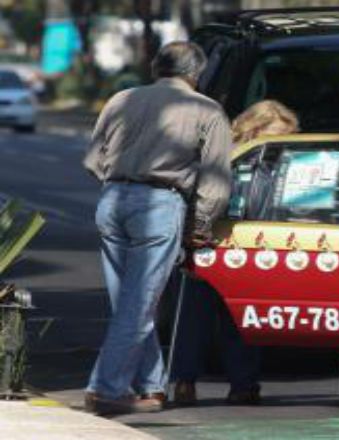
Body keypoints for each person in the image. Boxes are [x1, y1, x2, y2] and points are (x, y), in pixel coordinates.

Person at [82, 41, 233, 415]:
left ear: (155, 68)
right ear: (195, 75)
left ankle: (151, 386)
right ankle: (105, 387)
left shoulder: (121, 99)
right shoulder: (207, 110)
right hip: (159, 204)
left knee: (132, 301)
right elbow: (216, 182)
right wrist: (198, 226)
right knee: (138, 304)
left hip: (113, 200)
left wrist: (118, 181)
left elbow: (92, 160)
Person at [171, 100, 299, 406]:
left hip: (253, 248)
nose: (282, 144)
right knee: (194, 317)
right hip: (209, 243)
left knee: (242, 319)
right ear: (253, 130)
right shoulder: (222, 156)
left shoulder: (281, 165)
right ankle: (184, 382)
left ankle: (244, 384)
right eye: (276, 136)